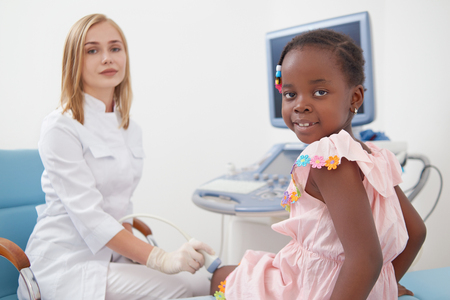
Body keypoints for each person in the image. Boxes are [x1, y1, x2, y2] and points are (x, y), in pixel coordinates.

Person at [210, 29, 426, 300]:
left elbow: (366, 261)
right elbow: (416, 231)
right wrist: (386, 286)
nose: (300, 105)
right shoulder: (374, 156)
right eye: (290, 94)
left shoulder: (327, 160)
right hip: (350, 287)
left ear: (355, 98)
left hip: (312, 288)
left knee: (221, 277)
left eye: (319, 92)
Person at [17, 13, 214, 300]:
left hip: (111, 258)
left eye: (115, 48)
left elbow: (120, 209)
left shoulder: (130, 128)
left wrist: (145, 256)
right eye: (92, 50)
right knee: (184, 288)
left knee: (205, 283)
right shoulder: (60, 127)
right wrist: (161, 259)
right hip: (67, 265)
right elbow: (93, 218)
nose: (107, 58)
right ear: (75, 61)